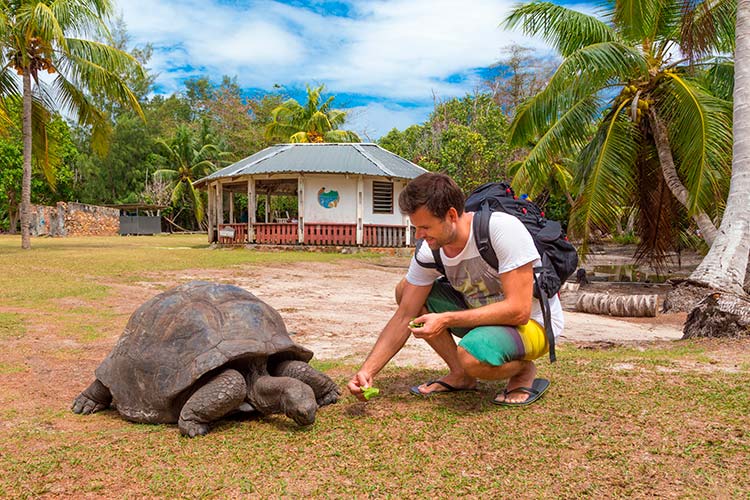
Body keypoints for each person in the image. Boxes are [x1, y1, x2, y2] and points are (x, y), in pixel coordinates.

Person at [347, 173, 564, 406]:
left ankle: (522, 371)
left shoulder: (501, 229)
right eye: (416, 227)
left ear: (451, 215)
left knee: (471, 356)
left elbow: (518, 311)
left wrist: (446, 319)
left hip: (531, 323)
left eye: (425, 227)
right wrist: (367, 371)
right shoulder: (430, 250)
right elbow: (405, 315)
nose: (418, 235)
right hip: (483, 319)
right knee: (405, 292)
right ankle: (460, 375)